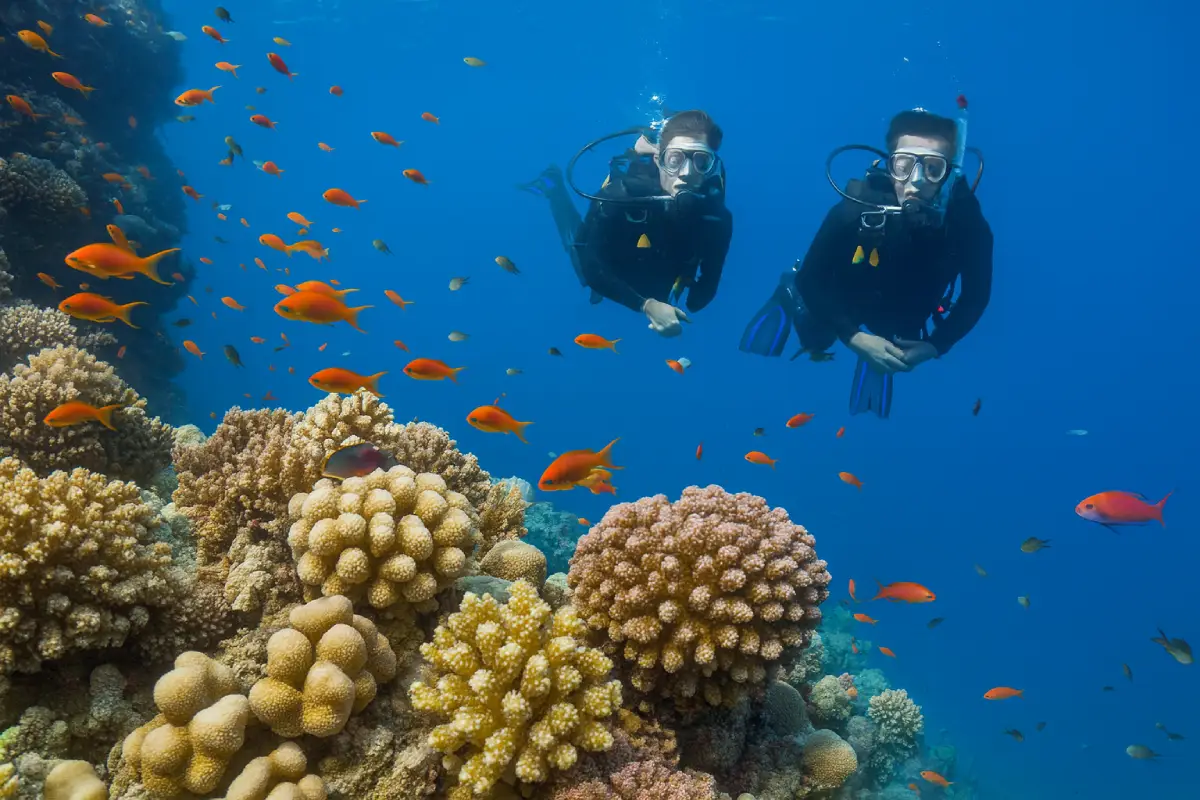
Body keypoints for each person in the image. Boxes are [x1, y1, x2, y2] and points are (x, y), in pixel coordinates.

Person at [739, 105, 993, 417]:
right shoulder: (856, 209)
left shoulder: (968, 224)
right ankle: (785, 293)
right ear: (890, 167)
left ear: (949, 173)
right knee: (816, 339)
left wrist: (936, 345)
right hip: (849, 296)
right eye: (903, 165)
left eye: (932, 168)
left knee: (901, 345)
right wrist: (853, 336)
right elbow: (811, 277)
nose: (915, 181)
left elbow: (976, 296)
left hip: (907, 309)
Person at [520, 110, 733, 337]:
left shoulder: (716, 218)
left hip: (660, 276)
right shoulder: (619, 197)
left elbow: (707, 286)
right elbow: (589, 265)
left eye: (701, 161)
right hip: (613, 263)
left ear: (712, 167)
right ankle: (554, 188)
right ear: (658, 160)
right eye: (675, 160)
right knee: (581, 265)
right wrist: (645, 305)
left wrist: (692, 294)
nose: (687, 173)